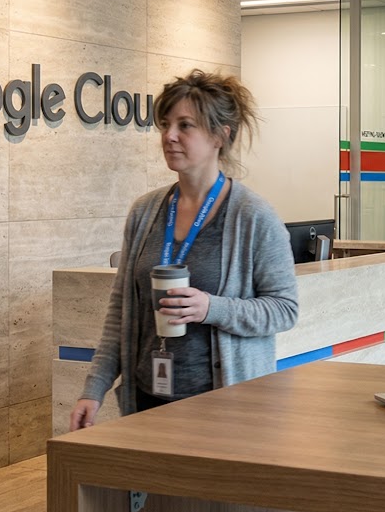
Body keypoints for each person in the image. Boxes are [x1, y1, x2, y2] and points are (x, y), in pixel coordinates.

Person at [69, 70, 298, 431]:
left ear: (220, 135)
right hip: (148, 398)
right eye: (165, 124)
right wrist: (93, 388)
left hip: (223, 407)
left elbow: (284, 310)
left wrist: (211, 307)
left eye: (185, 125)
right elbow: (120, 310)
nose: (169, 136)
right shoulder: (145, 211)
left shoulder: (254, 216)